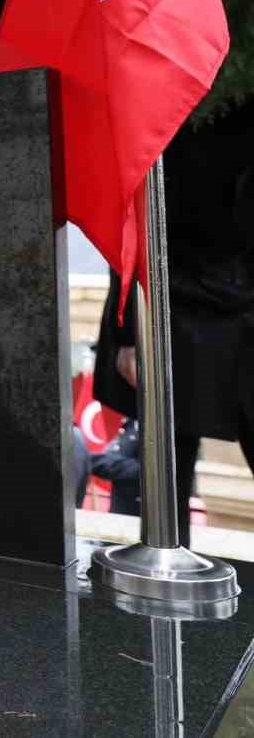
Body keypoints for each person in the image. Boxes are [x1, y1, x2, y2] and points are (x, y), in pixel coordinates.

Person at [92, 97, 254, 538]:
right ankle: (166, 550)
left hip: (202, 298)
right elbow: (132, 217)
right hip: (174, 302)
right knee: (170, 461)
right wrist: (130, 332)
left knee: (171, 458)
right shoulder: (167, 107)